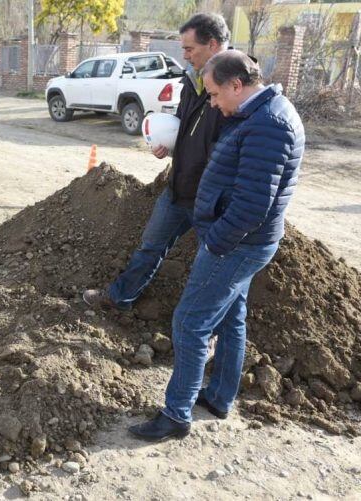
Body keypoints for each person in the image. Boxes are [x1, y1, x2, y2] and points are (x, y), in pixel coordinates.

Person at [129, 50, 305, 441]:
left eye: (213, 94)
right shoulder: (258, 113)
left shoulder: (270, 124)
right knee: (231, 317)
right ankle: (219, 397)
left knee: (190, 322)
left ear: (236, 85)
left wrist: (215, 243)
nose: (211, 103)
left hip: (236, 245)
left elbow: (253, 205)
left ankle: (176, 415)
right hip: (240, 243)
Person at [83, 13, 230, 310]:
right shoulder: (193, 80)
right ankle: (119, 298)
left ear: (213, 44)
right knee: (149, 247)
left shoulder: (237, 86)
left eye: (190, 49)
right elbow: (187, 125)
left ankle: (208, 331)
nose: (185, 56)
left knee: (214, 269)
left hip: (214, 200)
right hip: (179, 187)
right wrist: (170, 141)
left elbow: (233, 148)